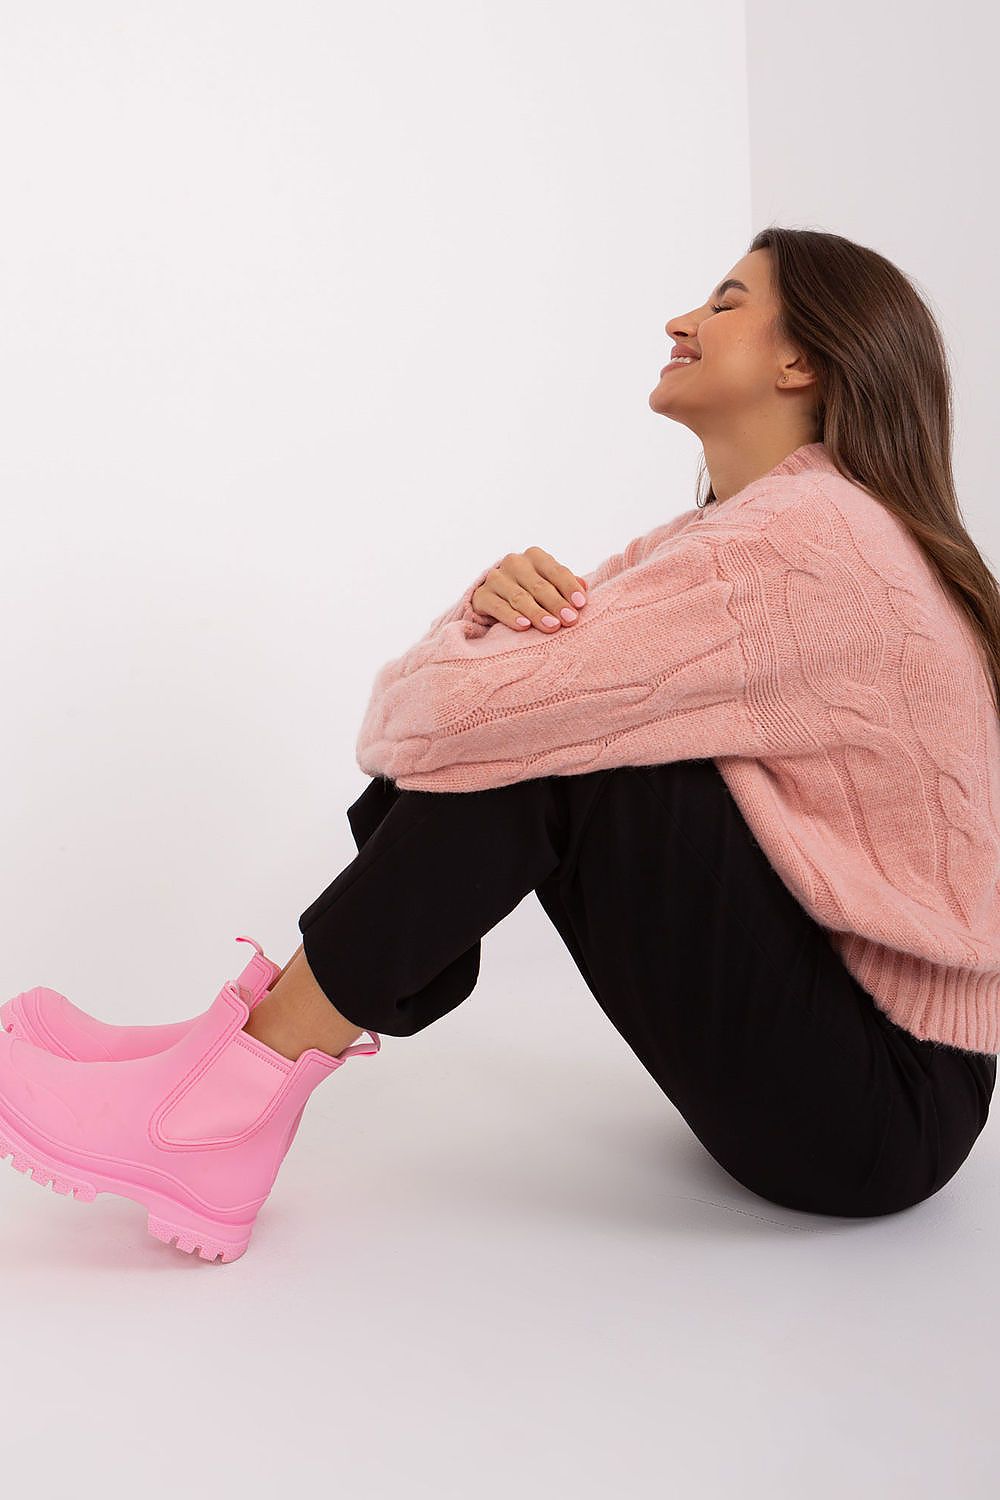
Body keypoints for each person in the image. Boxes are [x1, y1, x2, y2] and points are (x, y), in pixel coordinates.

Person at [2, 227, 998, 1263]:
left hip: (879, 1109)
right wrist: (484, 614)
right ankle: (223, 1064)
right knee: (559, 733)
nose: (680, 321)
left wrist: (478, 634)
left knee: (564, 758)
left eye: (725, 300)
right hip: (883, 1085)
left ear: (800, 361)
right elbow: (441, 730)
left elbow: (434, 726)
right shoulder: (766, 535)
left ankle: (223, 1100)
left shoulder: (803, 547)